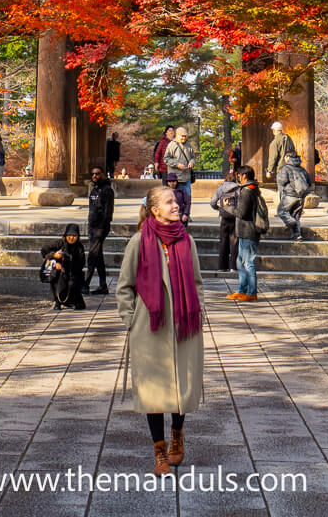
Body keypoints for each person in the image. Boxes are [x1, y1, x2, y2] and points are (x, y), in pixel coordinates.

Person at [118, 186, 205, 477]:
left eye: (176, 201)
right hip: (150, 328)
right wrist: (132, 321)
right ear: (155, 210)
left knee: (183, 385)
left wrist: (197, 311)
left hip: (184, 324)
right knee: (153, 390)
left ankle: (177, 433)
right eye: (169, 202)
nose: (176, 205)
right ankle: (159, 449)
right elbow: (124, 287)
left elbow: (198, 282)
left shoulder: (186, 241)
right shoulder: (138, 242)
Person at [231, 166, 268, 301]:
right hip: (244, 232)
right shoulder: (252, 189)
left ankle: (251, 292)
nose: (238, 177)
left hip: (249, 231)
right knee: (241, 262)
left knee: (248, 263)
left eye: (239, 175)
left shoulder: (247, 191)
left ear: (244, 176)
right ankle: (242, 290)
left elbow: (242, 213)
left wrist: (228, 207)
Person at [267, 123, 309, 238]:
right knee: (296, 211)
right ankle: (296, 233)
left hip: (282, 169)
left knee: (283, 200)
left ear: (274, 130)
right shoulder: (289, 139)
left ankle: (290, 221)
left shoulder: (275, 142)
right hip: (298, 181)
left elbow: (273, 157)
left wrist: (269, 170)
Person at [42, 225, 88, 310]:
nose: (71, 238)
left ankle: (70, 301)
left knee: (78, 300)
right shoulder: (59, 243)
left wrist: (67, 262)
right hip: (58, 273)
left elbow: (81, 264)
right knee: (55, 277)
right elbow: (44, 250)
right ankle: (57, 301)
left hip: (72, 274)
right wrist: (54, 255)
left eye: (74, 236)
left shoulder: (79, 247)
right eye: (69, 235)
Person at [86, 165, 115, 294]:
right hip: (92, 227)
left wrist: (102, 228)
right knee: (97, 256)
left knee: (92, 255)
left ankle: (86, 283)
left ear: (103, 174)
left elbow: (108, 211)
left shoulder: (107, 190)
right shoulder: (94, 190)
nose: (94, 176)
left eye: (97, 174)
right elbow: (91, 209)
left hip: (100, 228)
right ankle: (103, 285)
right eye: (93, 174)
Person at [210, 168, 243, 274]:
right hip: (234, 217)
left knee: (223, 241)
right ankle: (233, 266)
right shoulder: (238, 189)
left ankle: (222, 266)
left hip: (224, 217)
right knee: (234, 242)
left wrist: (219, 208)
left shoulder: (221, 188)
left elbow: (212, 202)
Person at [163, 126, 196, 221]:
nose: (184, 138)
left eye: (185, 136)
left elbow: (193, 157)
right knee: (176, 199)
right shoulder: (172, 145)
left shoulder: (188, 145)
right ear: (177, 135)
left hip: (186, 177)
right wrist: (177, 164)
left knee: (187, 198)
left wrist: (192, 162)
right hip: (175, 178)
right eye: (182, 136)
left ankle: (186, 214)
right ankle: (174, 215)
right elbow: (166, 159)